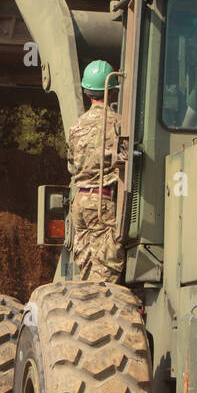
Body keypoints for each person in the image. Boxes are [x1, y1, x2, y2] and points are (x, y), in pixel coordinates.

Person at [67, 60, 127, 283]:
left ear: (87, 92)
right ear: (112, 91)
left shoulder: (76, 125)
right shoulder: (119, 124)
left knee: (85, 271)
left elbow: (71, 165)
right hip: (101, 202)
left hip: (79, 202)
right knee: (105, 275)